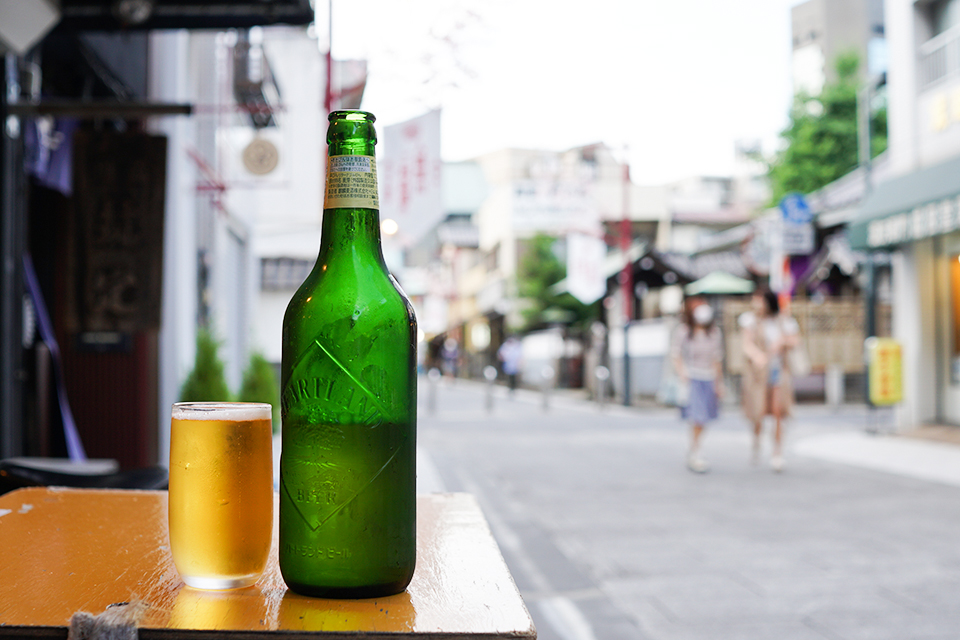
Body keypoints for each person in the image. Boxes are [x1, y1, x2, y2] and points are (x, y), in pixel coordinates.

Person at [738, 289, 800, 473]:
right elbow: (746, 344)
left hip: (777, 371)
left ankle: (777, 452)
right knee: (758, 411)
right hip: (758, 374)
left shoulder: (784, 321)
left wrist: (782, 342)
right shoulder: (750, 320)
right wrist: (757, 356)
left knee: (778, 411)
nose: (757, 304)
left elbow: (796, 341)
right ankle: (756, 441)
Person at [671, 297, 724, 473]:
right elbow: (676, 355)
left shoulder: (714, 333)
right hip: (692, 377)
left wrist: (719, 382)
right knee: (697, 416)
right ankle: (696, 452)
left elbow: (717, 359)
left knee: (704, 417)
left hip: (708, 377)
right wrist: (682, 373)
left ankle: (694, 448)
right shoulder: (684, 331)